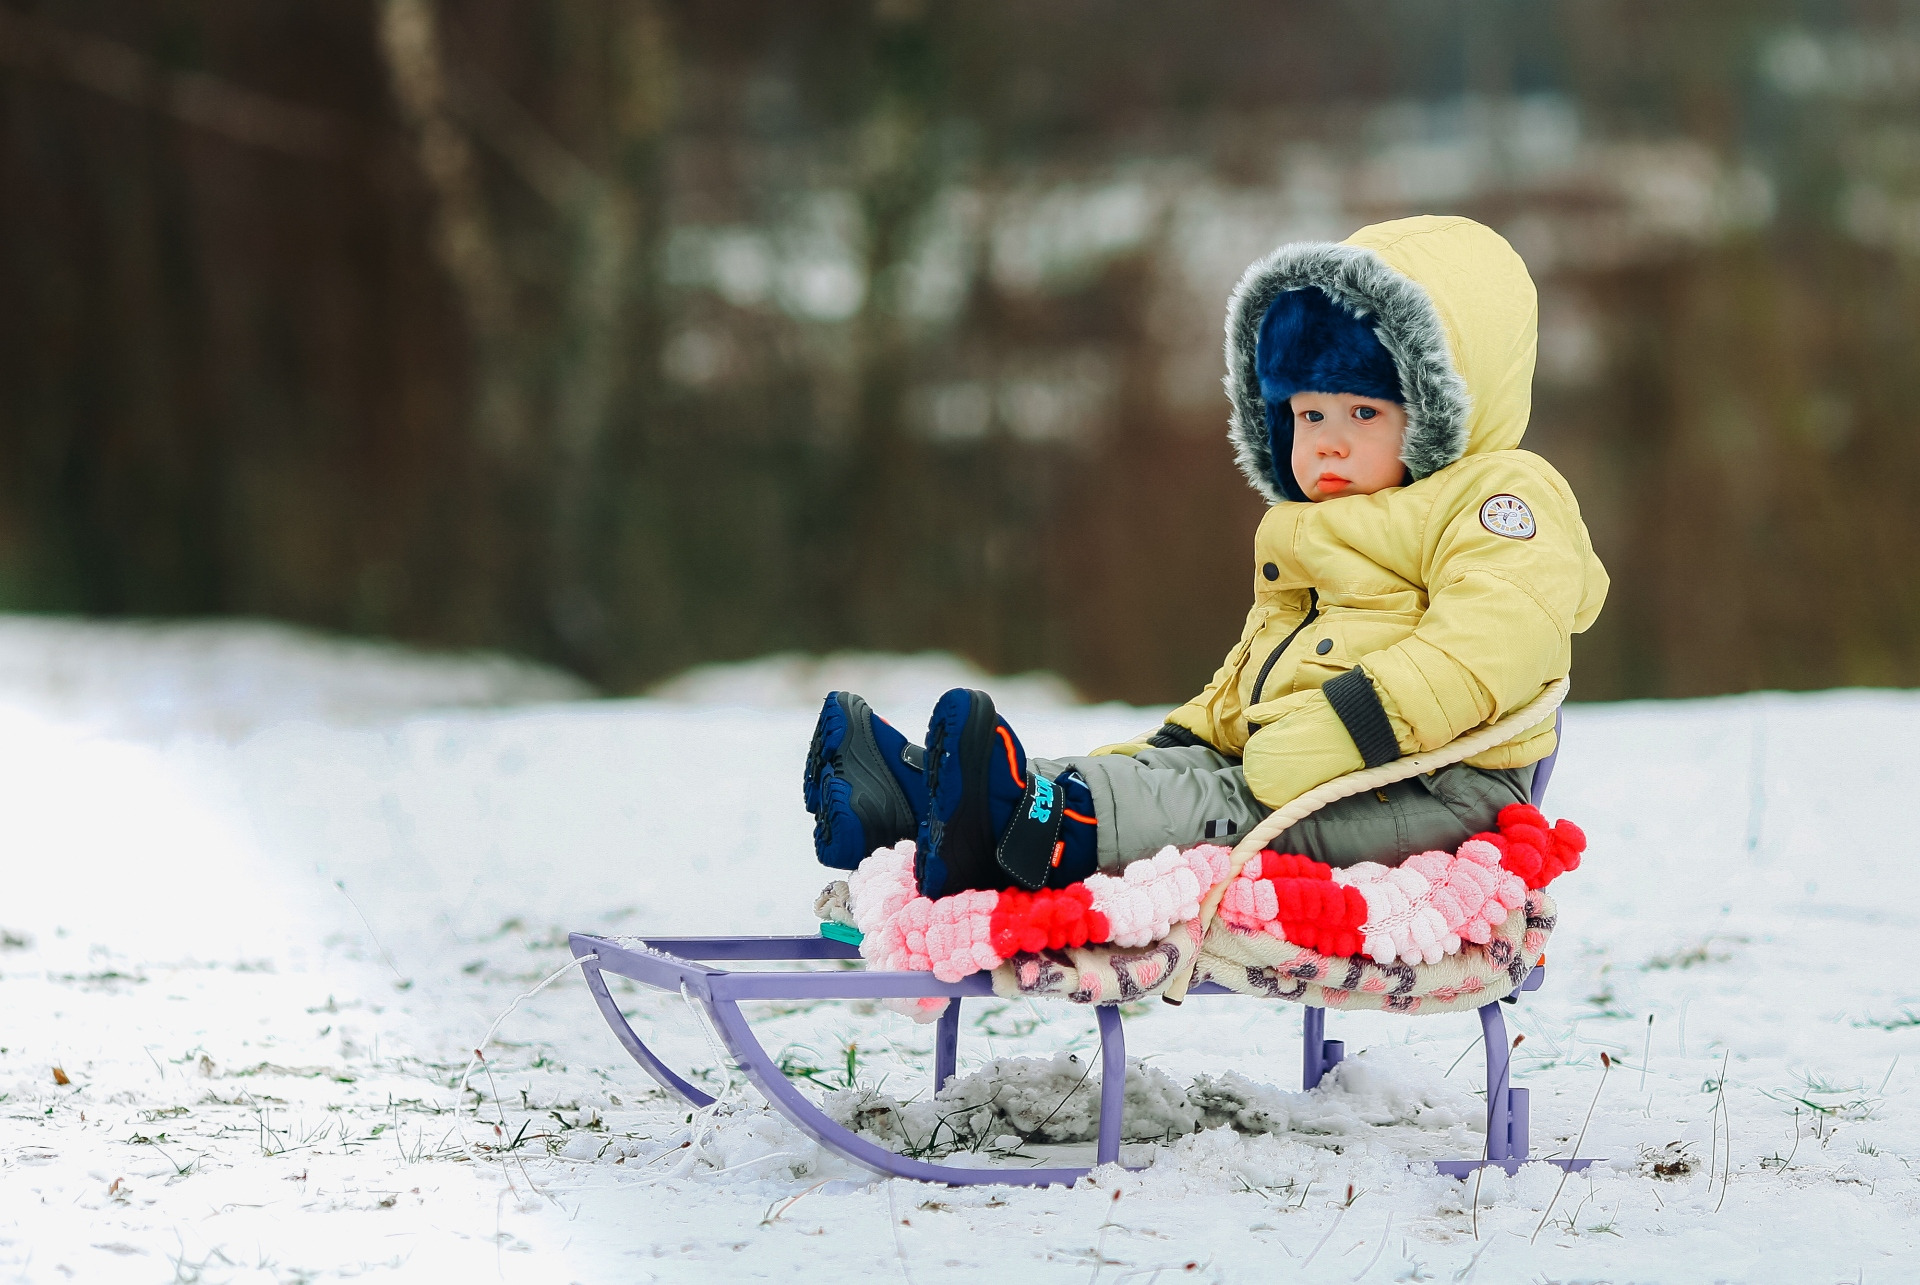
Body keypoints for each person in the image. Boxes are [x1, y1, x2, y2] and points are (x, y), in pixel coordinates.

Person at [805, 215, 1609, 900]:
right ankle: (915, 800)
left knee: (1222, 801)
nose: (1325, 439)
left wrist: (1348, 721)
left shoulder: (1502, 496)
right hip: (1315, 763)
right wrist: (1187, 735)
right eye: (1306, 411)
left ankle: (1047, 824)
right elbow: (1262, 668)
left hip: (1437, 785)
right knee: (1178, 775)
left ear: (1445, 405)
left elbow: (1496, 637)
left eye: (1363, 409)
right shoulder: (1313, 528)